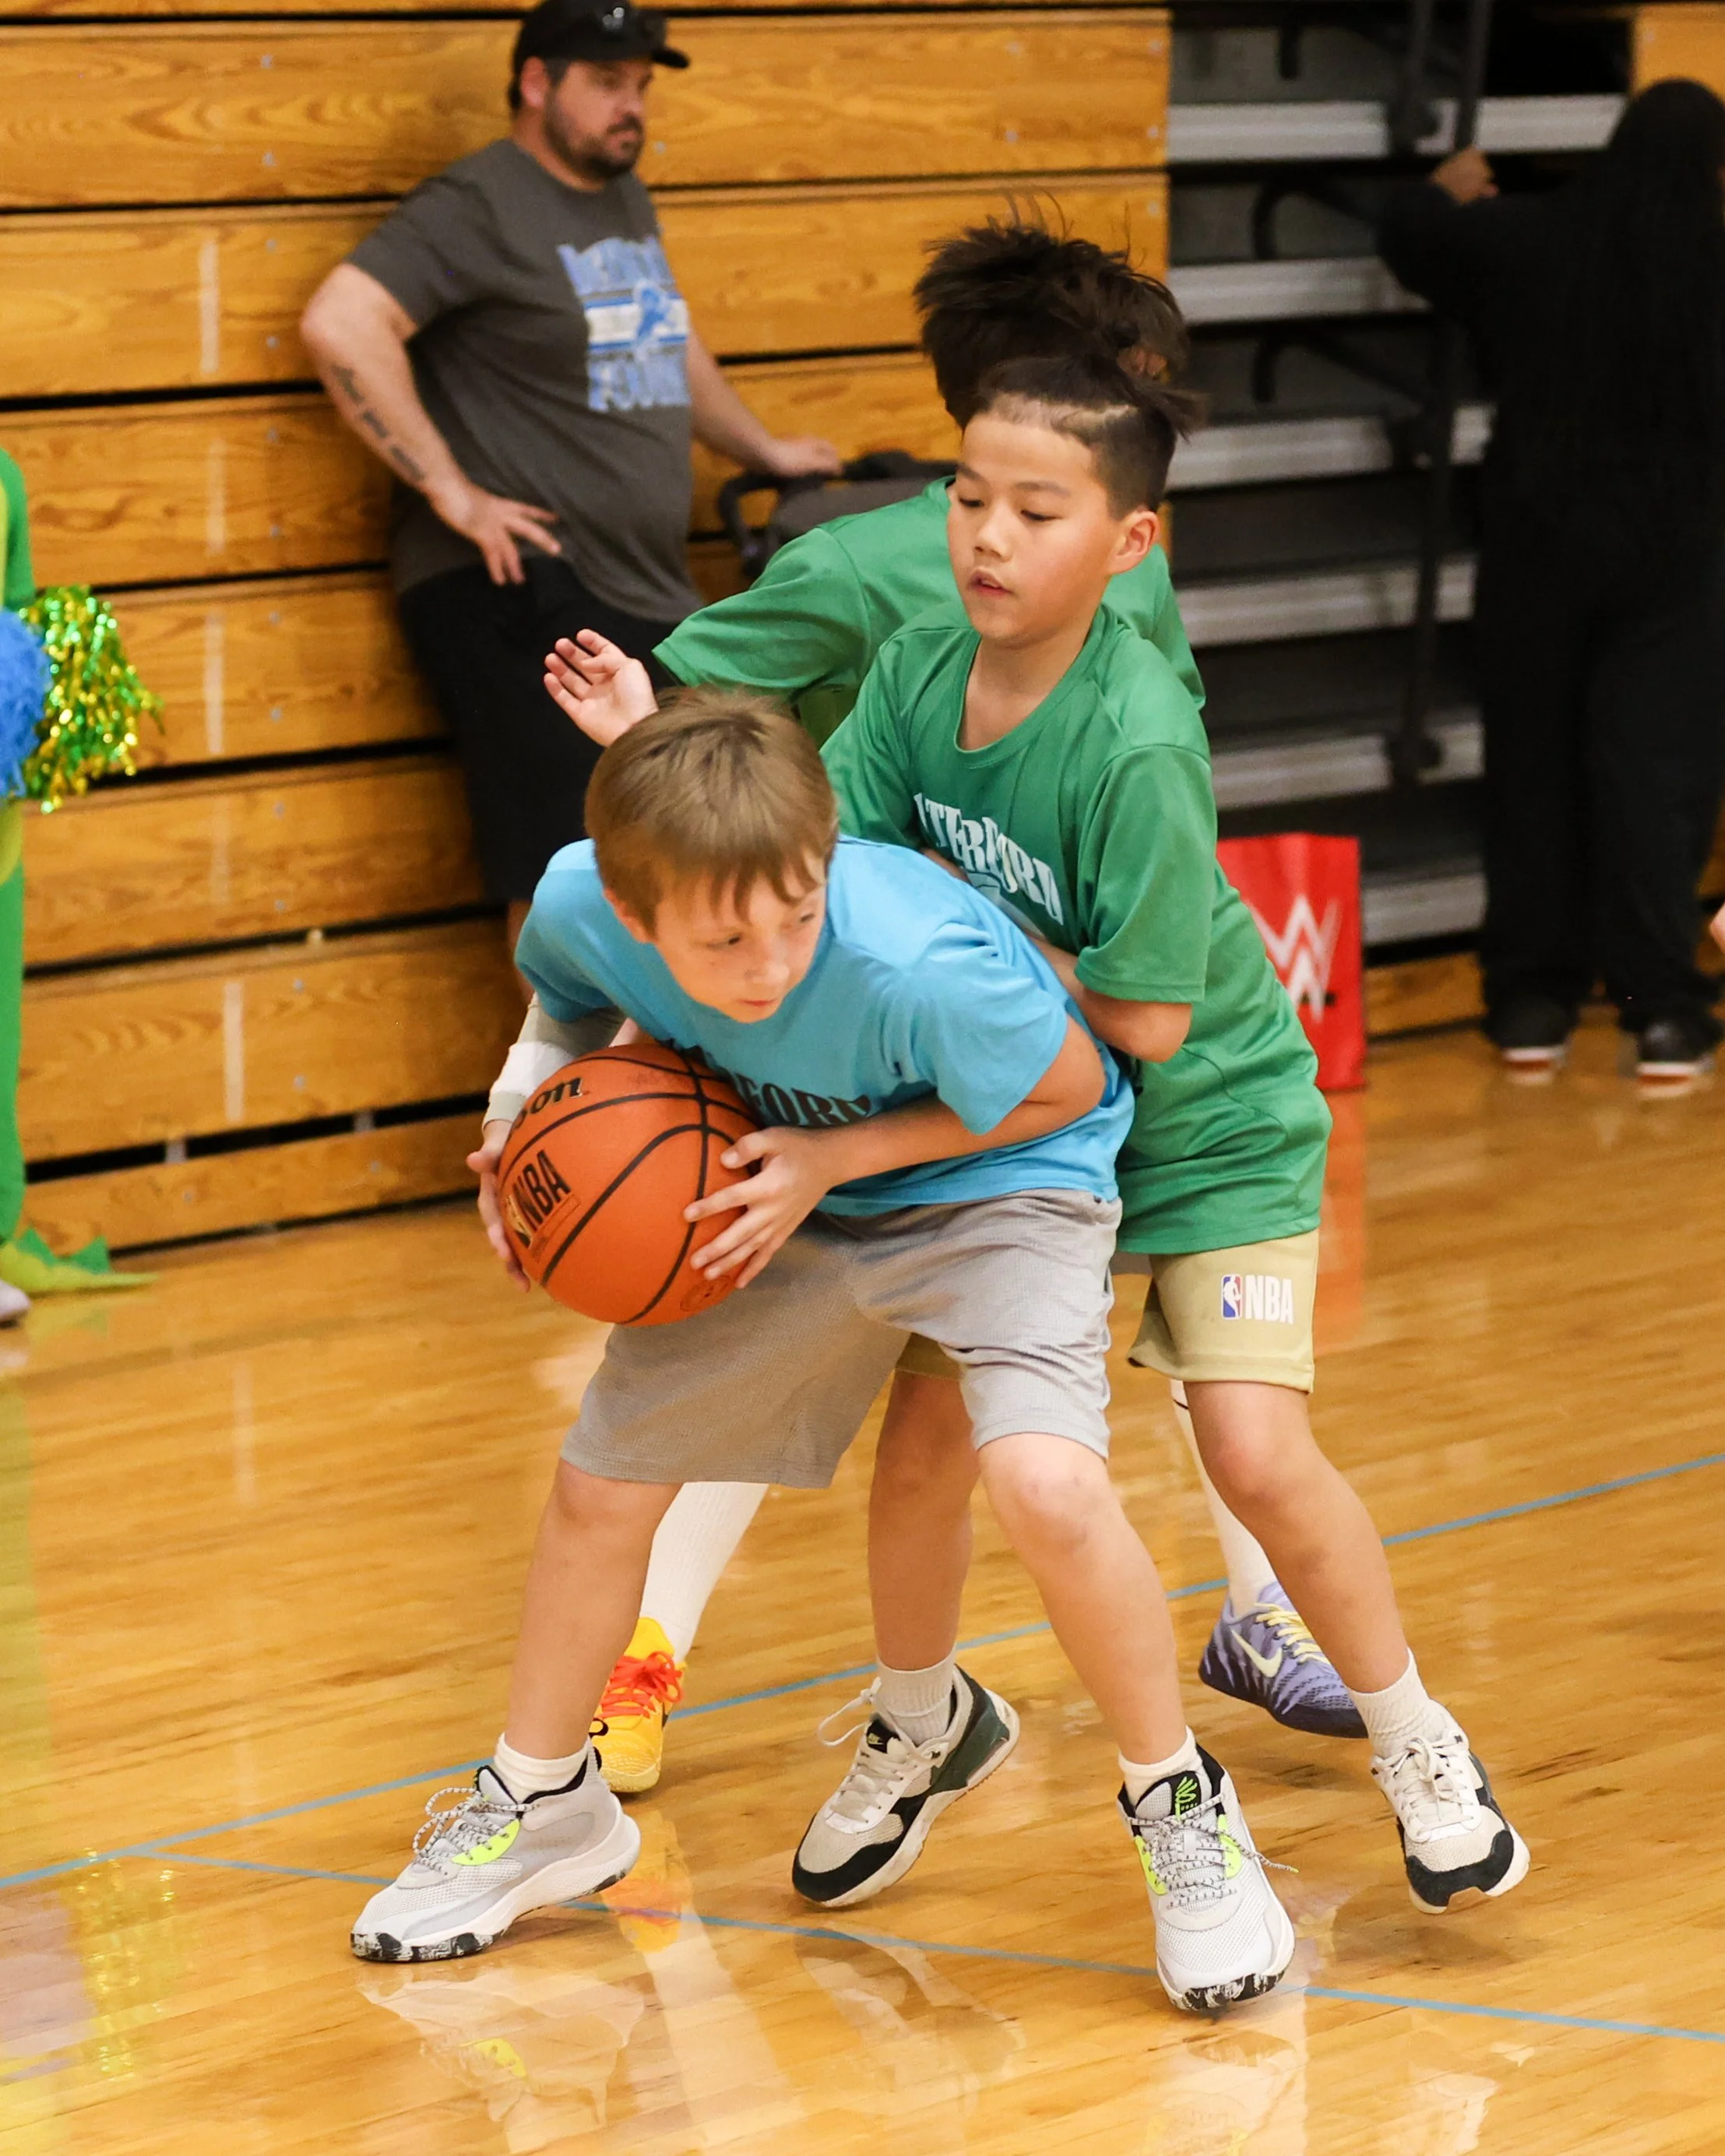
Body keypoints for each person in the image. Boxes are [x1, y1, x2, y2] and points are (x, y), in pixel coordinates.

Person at [555, 353, 1529, 1926]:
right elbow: (829, 871)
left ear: (1130, 544)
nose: (987, 537)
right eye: (967, 496)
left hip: (1198, 1124)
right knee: (929, 1448)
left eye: (1035, 509)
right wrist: (637, 779)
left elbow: (1142, 1023)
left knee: (1257, 1451)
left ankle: (1418, 1732)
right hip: (1012, 1128)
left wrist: (959, 972)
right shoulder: (921, 664)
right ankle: (920, 1717)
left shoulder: (1135, 740)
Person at [353, 699, 1300, 2014]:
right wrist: (521, 1128)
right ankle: (545, 1795)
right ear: (637, 914)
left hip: (1001, 1177)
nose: (769, 959)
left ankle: (1179, 1800)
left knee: (1047, 1482)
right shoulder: (580, 900)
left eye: (797, 913)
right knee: (599, 1484)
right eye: (725, 939)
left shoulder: (912, 955)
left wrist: (832, 1156)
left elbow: (1073, 1086)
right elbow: (562, 1004)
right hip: (770, 1182)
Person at [299, 0, 840, 952]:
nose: (630, 107)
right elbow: (342, 322)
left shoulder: (621, 200)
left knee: (676, 838)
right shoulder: (479, 202)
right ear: (537, 83)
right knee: (567, 856)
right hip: (520, 582)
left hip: (636, 583)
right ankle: (560, 1096)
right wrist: (452, 491)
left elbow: (663, 341)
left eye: (639, 86)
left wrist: (759, 449)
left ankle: (649, 1088)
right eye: (605, 83)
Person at [1378, 82, 1725, 1082]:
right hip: (1676, 556)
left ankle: (1530, 1004)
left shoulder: (1531, 238)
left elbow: (1413, 239)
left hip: (1537, 546)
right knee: (1653, 783)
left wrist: (1440, 191)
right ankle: (1659, 1009)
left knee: (1532, 774)